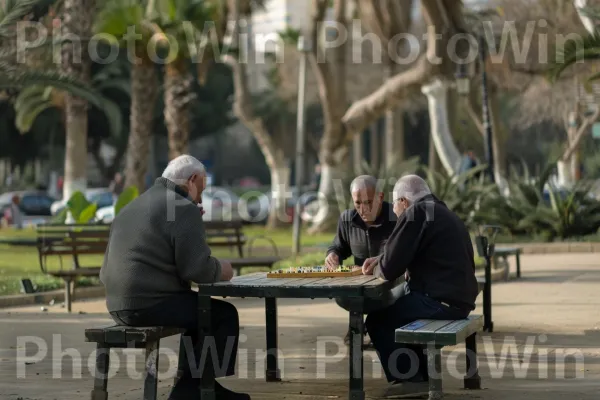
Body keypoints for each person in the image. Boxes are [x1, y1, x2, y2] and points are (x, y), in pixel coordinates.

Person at [99, 155, 249, 400]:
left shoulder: (135, 204)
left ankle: (198, 385)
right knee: (223, 315)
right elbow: (198, 271)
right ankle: (192, 389)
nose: (200, 198)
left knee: (199, 311)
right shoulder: (181, 207)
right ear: (192, 180)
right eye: (201, 189)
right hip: (147, 304)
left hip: (116, 304)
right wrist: (223, 269)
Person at [361, 174, 479, 396]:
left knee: (378, 321)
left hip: (440, 301)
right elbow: (402, 253)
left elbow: (388, 270)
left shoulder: (415, 212)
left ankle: (411, 382)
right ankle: (420, 377)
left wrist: (377, 266)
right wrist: (381, 260)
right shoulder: (440, 210)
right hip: (457, 300)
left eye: (397, 211)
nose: (397, 218)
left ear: (403, 202)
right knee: (402, 313)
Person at [324, 175, 399, 345]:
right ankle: (360, 328)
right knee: (341, 295)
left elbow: (407, 253)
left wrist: (382, 260)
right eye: (358, 203)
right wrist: (333, 255)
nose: (363, 209)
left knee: (394, 294)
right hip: (360, 287)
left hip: (391, 286)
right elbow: (338, 246)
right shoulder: (347, 220)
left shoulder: (396, 218)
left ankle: (373, 328)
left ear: (380, 197)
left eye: (369, 202)